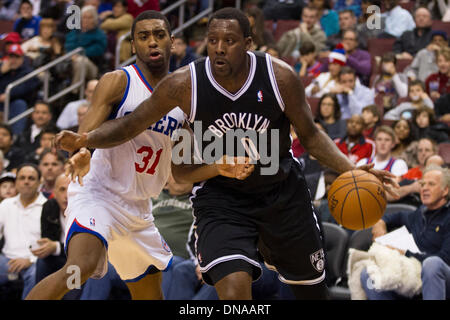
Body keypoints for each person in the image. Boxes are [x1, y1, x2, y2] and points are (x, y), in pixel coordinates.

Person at [54, 7, 398, 300]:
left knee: (311, 293)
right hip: (222, 201)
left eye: (229, 42)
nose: (219, 49)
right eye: (213, 41)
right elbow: (135, 130)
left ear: (248, 44)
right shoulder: (182, 85)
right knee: (233, 292)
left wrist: (353, 170)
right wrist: (86, 138)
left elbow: (309, 135)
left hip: (282, 195)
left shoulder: (279, 77)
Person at [26, 10, 198, 301]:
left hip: (140, 207)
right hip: (98, 193)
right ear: (133, 45)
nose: (152, 42)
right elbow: (87, 130)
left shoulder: (183, 95)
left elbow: (184, 160)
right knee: (79, 269)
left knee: (150, 296)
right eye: (143, 37)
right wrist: (83, 151)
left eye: (159, 35)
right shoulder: (119, 81)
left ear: (172, 41)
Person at [361, 164, 450, 300]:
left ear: (445, 190)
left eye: (431, 184)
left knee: (432, 264)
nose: (424, 188)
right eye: (422, 184)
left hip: (441, 276)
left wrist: (404, 253)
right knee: (368, 274)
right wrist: (380, 224)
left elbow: (445, 259)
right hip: (413, 274)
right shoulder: (418, 213)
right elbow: (391, 217)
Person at [0, 163, 46, 299]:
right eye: (22, 178)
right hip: (6, 261)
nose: (26, 182)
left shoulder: (48, 206)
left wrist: (30, 260)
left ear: (39, 182)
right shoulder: (6, 204)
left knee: (37, 271)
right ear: (16, 182)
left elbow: (50, 243)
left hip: (34, 262)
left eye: (31, 178)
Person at [64, 5, 107, 91]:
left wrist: (79, 54)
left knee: (81, 61)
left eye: (89, 18)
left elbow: (98, 50)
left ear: (94, 20)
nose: (86, 20)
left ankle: (74, 92)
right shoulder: (75, 32)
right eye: (84, 17)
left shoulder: (99, 34)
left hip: (93, 65)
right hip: (71, 61)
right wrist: (73, 55)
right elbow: (68, 45)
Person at [0, 43, 40, 135]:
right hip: (2, 104)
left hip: (16, 104)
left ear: (22, 58)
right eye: (11, 57)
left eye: (16, 57)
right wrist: (1, 72)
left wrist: (9, 94)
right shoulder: (3, 69)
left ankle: (16, 137)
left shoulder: (27, 71)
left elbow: (29, 86)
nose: (13, 60)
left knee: (19, 104)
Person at [99, 0, 133, 65]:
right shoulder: (112, 18)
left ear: (125, 8)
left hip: (123, 54)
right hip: (110, 53)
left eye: (118, 7)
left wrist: (106, 19)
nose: (115, 9)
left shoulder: (128, 18)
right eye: (114, 7)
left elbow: (107, 25)